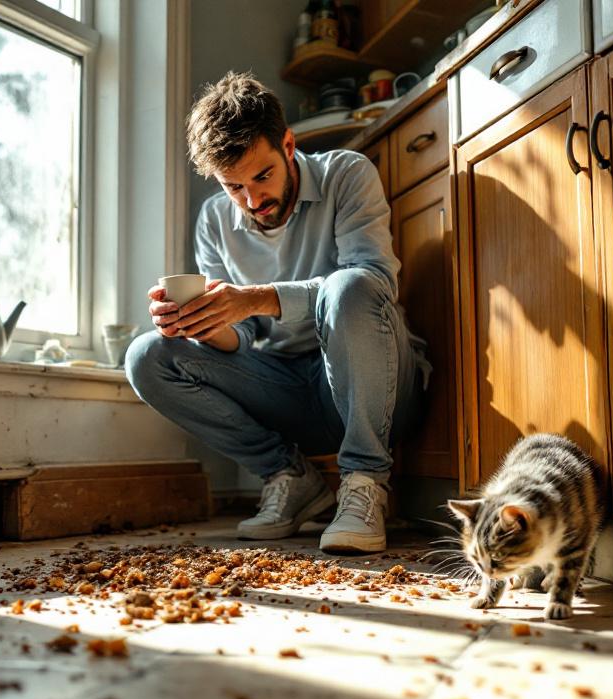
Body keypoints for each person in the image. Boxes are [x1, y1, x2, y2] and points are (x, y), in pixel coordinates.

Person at [125, 72, 426, 555]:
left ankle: (365, 483)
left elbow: (377, 282)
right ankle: (288, 476)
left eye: (262, 176)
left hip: (378, 388)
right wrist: (202, 323)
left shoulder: (345, 174)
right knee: (147, 355)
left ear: (288, 145)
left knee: (350, 284)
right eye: (233, 187)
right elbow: (240, 341)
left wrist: (257, 297)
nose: (252, 200)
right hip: (287, 391)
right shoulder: (215, 220)